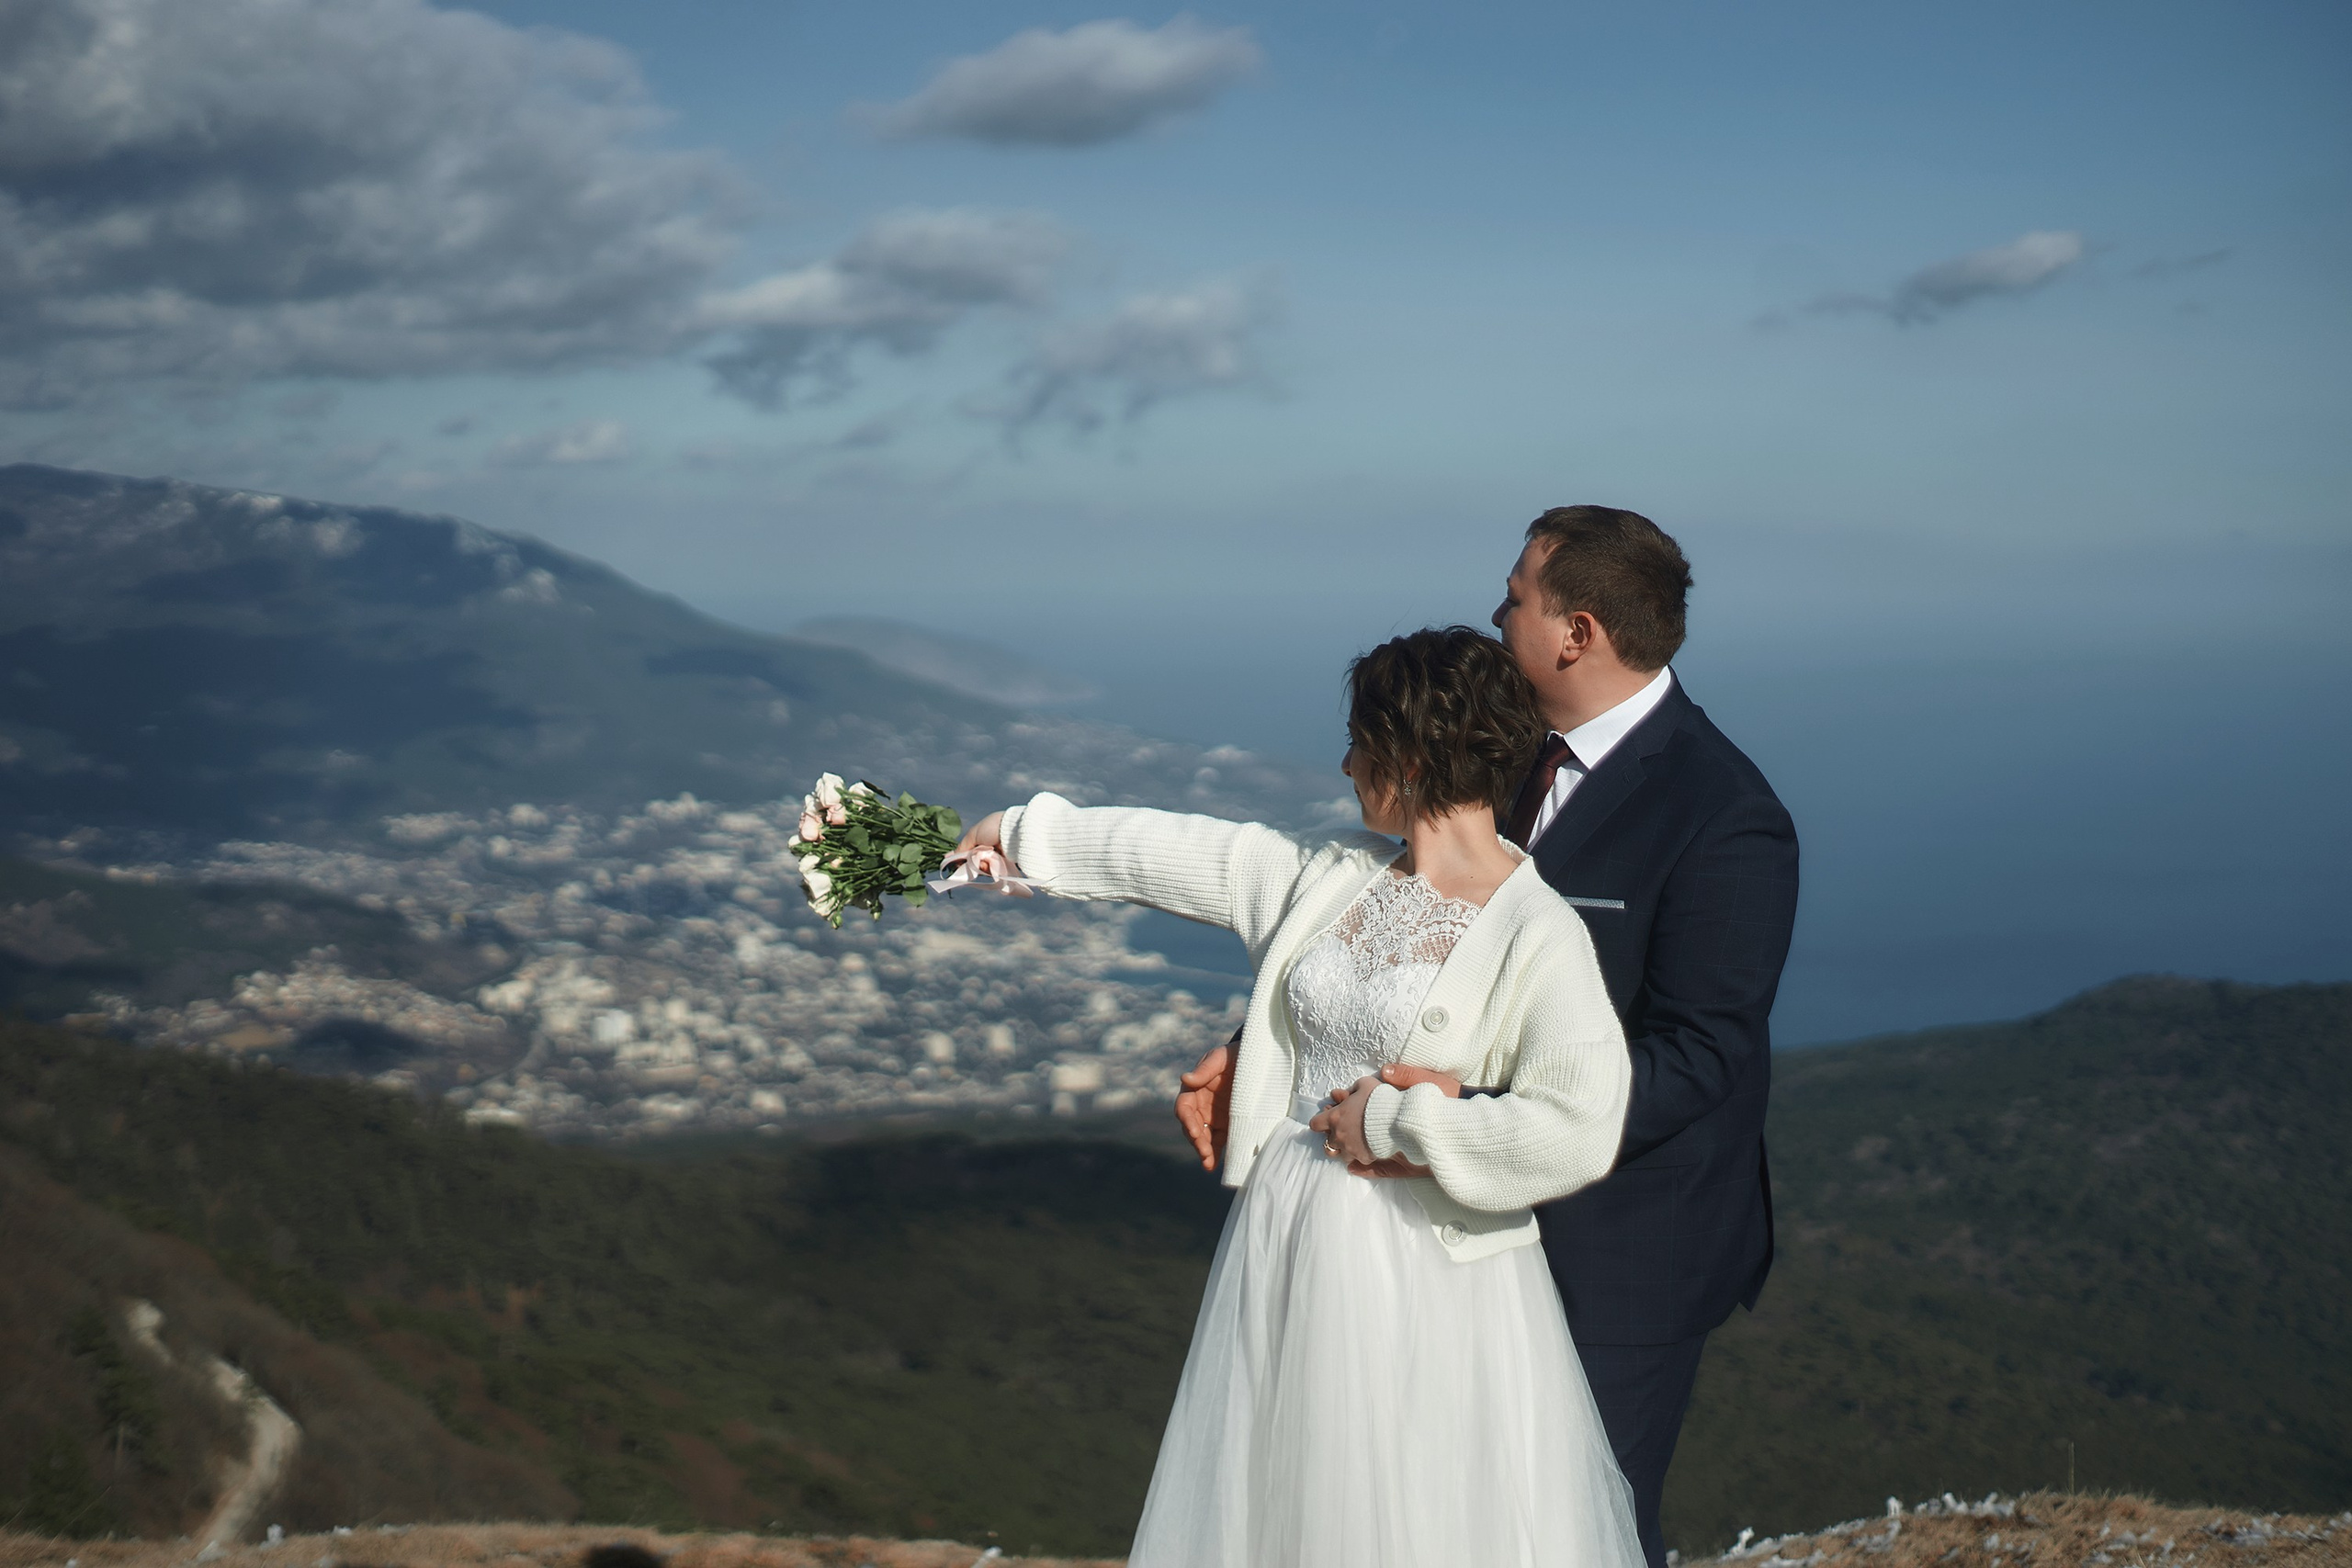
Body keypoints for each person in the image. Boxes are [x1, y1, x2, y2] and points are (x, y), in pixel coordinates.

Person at [1177, 506, 1800, 1568]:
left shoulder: (1723, 814)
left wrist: (1464, 1123)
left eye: (1515, 596)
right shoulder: (1488, 753)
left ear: (1578, 631)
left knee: (1561, 1527)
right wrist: (1273, 1040)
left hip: (1616, 1244)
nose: (1497, 612)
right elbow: (1401, 923)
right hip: (1432, 1225)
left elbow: (1701, 1054)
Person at [954, 626, 1647, 1568]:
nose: (1346, 762)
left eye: (1361, 741)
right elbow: (1185, 853)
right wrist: (1025, 835)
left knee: (1414, 1515)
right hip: (1288, 1237)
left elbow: (1578, 1128)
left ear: (1409, 755)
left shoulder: (1538, 931)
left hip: (1430, 1279)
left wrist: (1400, 1121)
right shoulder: (1332, 876)